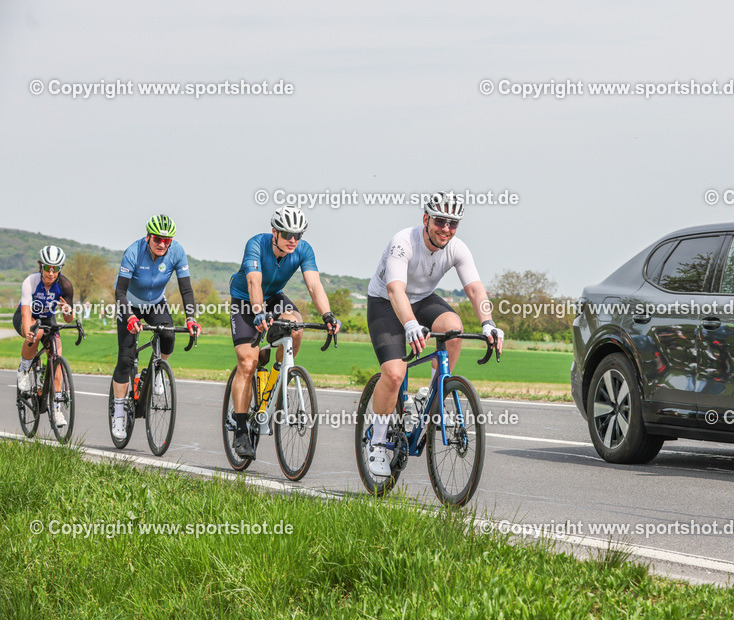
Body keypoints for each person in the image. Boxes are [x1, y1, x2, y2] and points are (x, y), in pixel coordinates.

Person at [364, 191, 503, 477]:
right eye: (441, 221)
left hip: (423, 298)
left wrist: (488, 322)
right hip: (386, 302)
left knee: (453, 327)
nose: (446, 229)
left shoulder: (457, 248)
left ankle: (430, 393)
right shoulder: (403, 242)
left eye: (453, 224)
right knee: (393, 374)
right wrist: (411, 325)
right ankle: (377, 441)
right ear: (426, 219)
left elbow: (476, 289)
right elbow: (395, 290)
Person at [227, 206, 340, 459]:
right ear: (274, 232)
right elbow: (253, 281)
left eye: (298, 235)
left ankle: (278, 375)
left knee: (296, 325)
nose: (293, 240)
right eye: (288, 234)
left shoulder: (303, 249)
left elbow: (313, 284)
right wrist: (258, 311)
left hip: (274, 298)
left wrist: (328, 315)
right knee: (247, 362)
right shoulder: (256, 244)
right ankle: (241, 427)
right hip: (246, 300)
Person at [111, 214, 201, 440]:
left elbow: (186, 290)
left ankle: (157, 370)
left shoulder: (177, 252)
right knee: (125, 359)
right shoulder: (133, 252)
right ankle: (119, 412)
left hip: (155, 304)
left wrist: (190, 318)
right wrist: (130, 317)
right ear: (148, 236)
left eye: (167, 240)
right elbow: (119, 292)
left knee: (169, 337)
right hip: (129, 303)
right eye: (157, 239)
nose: (162, 244)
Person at [15, 246, 75, 428]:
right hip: (26, 316)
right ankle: (24, 369)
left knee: (57, 354)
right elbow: (26, 314)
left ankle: (56, 408)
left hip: (48, 319)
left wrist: (68, 312)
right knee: (37, 331)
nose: (51, 272)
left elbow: (69, 317)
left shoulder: (65, 285)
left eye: (55, 268)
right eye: (47, 267)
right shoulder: (31, 282)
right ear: (40, 266)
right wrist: (29, 333)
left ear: (60, 268)